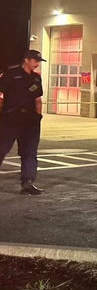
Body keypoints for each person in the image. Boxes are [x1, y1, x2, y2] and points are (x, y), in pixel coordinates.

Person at [0, 50, 47, 195]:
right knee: (1, 149)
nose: (37, 63)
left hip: (30, 122)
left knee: (30, 153)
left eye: (39, 61)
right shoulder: (11, 75)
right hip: (11, 120)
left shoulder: (36, 78)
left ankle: (28, 183)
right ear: (26, 60)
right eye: (35, 60)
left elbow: (37, 99)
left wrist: (38, 117)